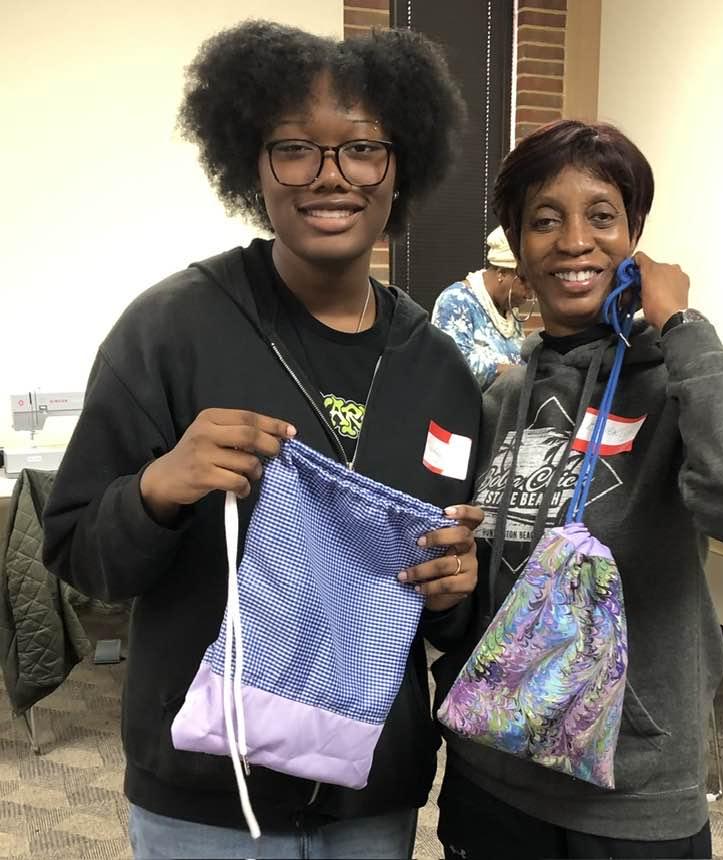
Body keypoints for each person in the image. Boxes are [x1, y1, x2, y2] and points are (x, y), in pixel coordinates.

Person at [42, 21, 485, 860]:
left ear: (400, 170)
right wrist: (157, 491)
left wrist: (458, 586)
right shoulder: (171, 330)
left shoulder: (441, 373)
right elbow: (77, 557)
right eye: (295, 149)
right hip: (204, 806)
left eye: (361, 149)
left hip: (373, 802)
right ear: (253, 165)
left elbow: (458, 604)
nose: (330, 177)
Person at [432, 119, 723, 859]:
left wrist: (679, 323)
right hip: (491, 772)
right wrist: (451, 598)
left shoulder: (684, 384)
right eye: (544, 221)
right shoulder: (498, 401)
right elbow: (483, 587)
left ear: (635, 234)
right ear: (517, 246)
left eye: (602, 216)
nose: (574, 240)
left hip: (632, 795)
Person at [432, 226, 533, 389]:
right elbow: (453, 366)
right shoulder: (456, 301)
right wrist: (517, 373)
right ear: (501, 273)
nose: (529, 294)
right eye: (525, 282)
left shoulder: (509, 311)